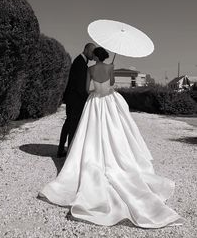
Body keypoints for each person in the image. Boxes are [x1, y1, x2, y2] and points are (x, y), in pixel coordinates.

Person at [40, 47, 184, 228]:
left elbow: (87, 88)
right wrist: (109, 73)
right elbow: (112, 84)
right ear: (105, 56)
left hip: (95, 101)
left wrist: (96, 88)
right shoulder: (110, 67)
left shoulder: (90, 68)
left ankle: (95, 155)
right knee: (116, 130)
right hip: (109, 99)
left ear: (95, 56)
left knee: (91, 131)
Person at [57, 43, 96, 157]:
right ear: (86, 50)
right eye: (92, 52)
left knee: (68, 123)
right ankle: (69, 152)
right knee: (72, 125)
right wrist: (88, 98)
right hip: (75, 100)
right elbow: (80, 87)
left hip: (72, 98)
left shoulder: (81, 61)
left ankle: (61, 149)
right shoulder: (80, 63)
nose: (93, 55)